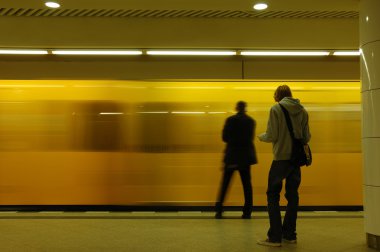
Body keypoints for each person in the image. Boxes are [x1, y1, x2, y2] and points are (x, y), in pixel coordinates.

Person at [257, 85, 311, 247]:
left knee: (272, 195)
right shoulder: (303, 111)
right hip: (296, 161)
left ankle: (275, 237)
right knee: (292, 196)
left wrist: (261, 136)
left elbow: (272, 135)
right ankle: (290, 234)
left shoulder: (276, 109)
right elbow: (306, 137)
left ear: (277, 96)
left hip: (280, 159)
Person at [215, 101, 257, 219]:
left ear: (236, 108)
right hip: (245, 158)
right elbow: (250, 138)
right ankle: (247, 212)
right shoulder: (251, 121)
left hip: (232, 156)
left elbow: (224, 138)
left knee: (225, 184)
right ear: (245, 109)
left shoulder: (230, 120)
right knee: (247, 185)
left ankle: (219, 210)